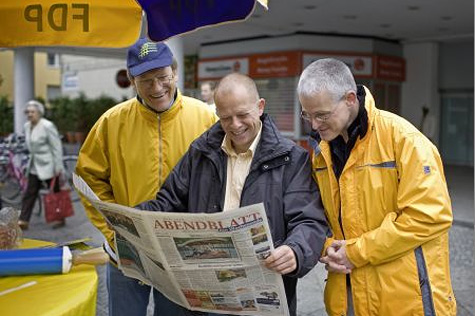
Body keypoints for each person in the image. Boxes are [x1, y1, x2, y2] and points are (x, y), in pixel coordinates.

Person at [137, 73, 329, 316]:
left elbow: (309, 220)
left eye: (242, 115)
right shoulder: (200, 151)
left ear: (260, 107)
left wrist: (295, 251)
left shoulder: (293, 159)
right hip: (205, 298)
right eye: (226, 118)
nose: (235, 125)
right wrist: (133, 219)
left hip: (263, 298)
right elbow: (168, 201)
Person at [297, 58, 456, 316]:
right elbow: (319, 217)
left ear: (350, 99)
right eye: (307, 114)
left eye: (322, 115)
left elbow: (430, 216)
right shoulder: (320, 153)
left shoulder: (405, 140)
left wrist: (356, 252)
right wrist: (327, 247)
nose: (314, 125)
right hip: (347, 298)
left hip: (405, 300)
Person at [75, 38, 217, 316]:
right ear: (131, 80)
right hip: (126, 251)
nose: (157, 87)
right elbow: (87, 178)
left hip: (181, 253)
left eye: (163, 77)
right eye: (146, 80)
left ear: (175, 73)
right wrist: (113, 231)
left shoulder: (205, 118)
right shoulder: (110, 122)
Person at [18, 100, 64, 230]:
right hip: (34, 165)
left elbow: (56, 147)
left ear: (39, 113)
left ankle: (59, 217)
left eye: (32, 112)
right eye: (28, 112)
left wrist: (58, 166)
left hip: (48, 164)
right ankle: (24, 220)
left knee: (54, 192)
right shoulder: (27, 126)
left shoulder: (47, 126)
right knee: (29, 193)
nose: (30, 114)